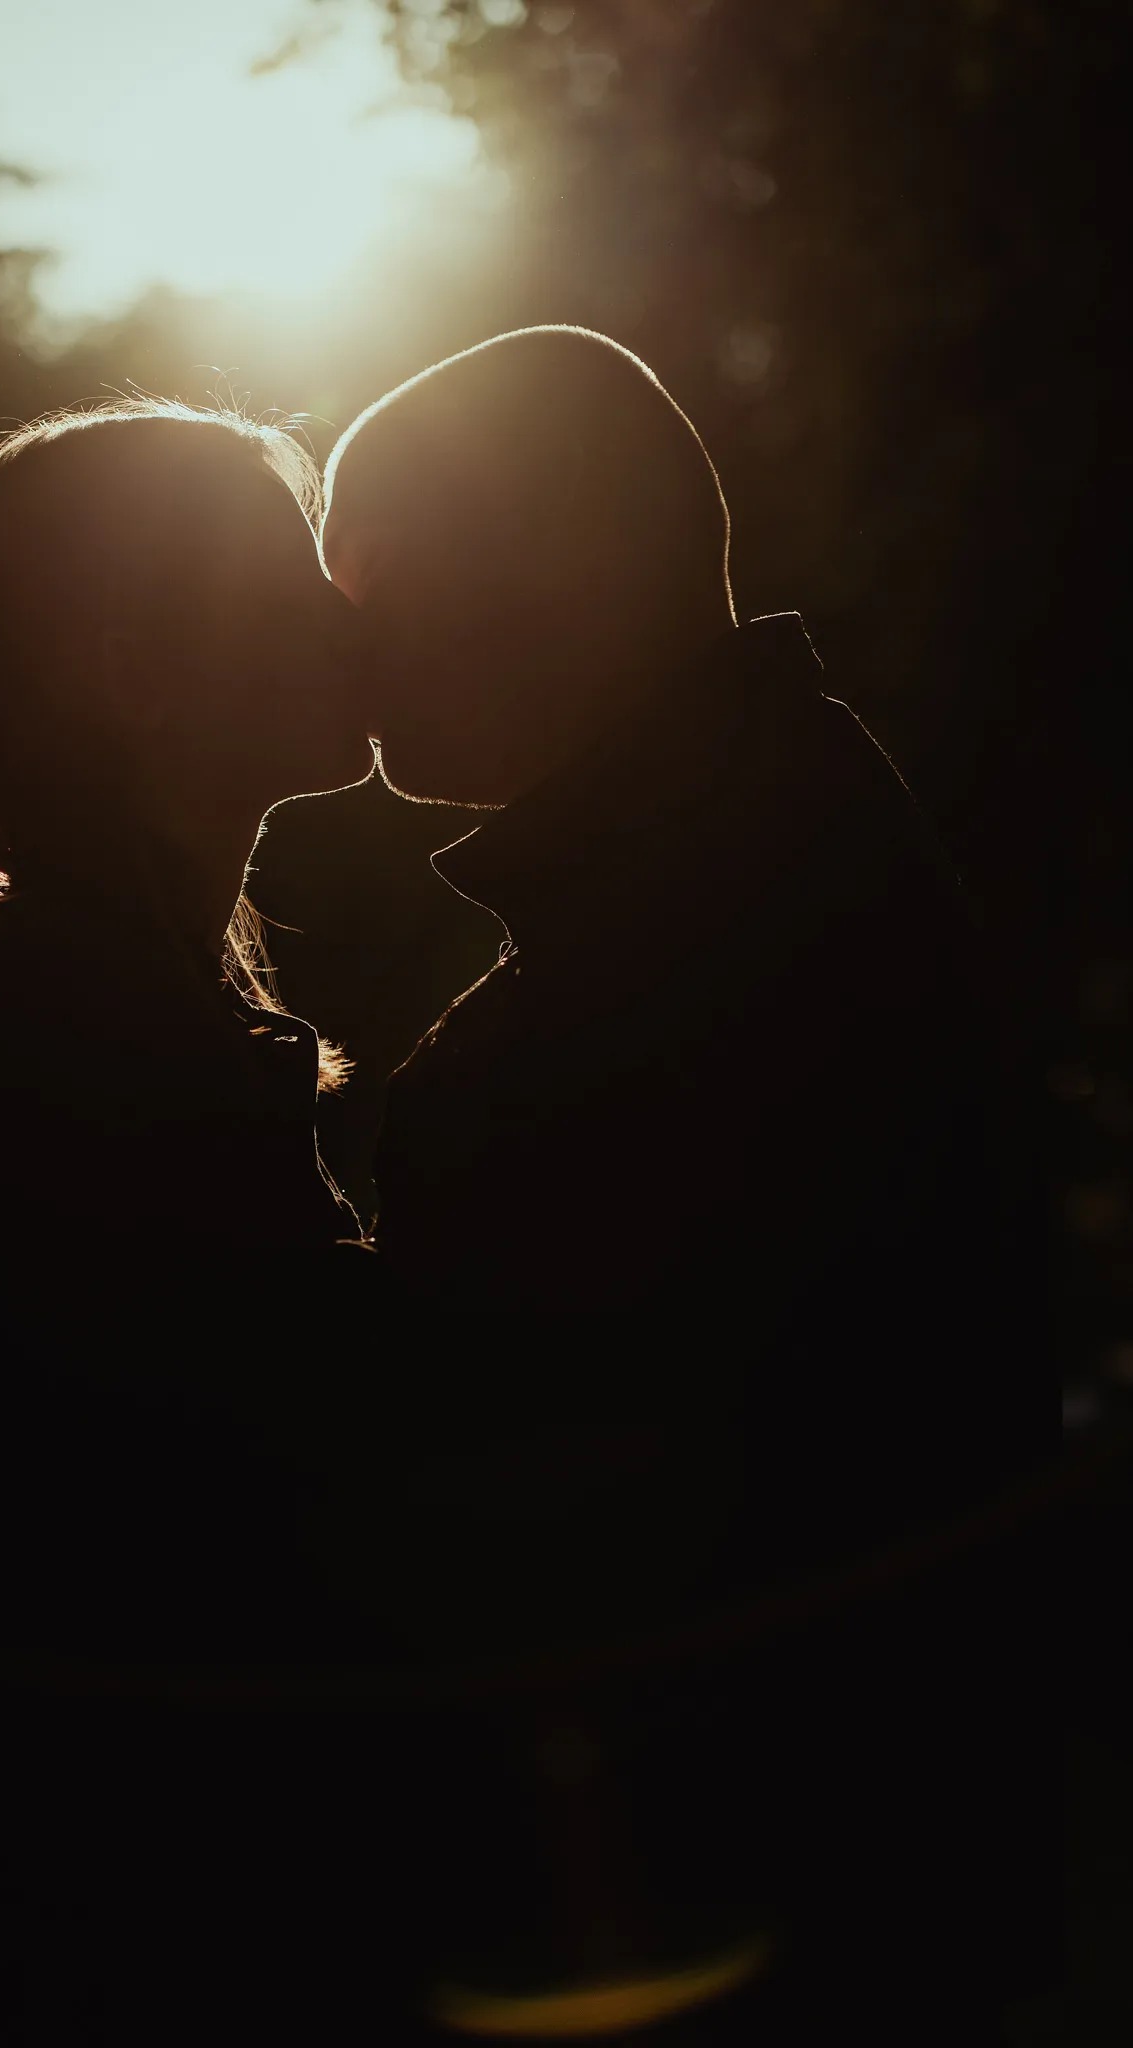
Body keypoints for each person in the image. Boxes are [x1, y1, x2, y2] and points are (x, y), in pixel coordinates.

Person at [320, 328, 1052, 2040]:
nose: (332, 643)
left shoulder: (685, 950)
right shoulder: (779, 830)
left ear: (536, 571)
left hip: (738, 1910)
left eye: (368, 578)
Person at [0, 401, 404, 2035]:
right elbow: (291, 1477)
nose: (350, 605)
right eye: (277, 578)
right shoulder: (79, 1028)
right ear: (133, 668)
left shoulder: (94, 987)